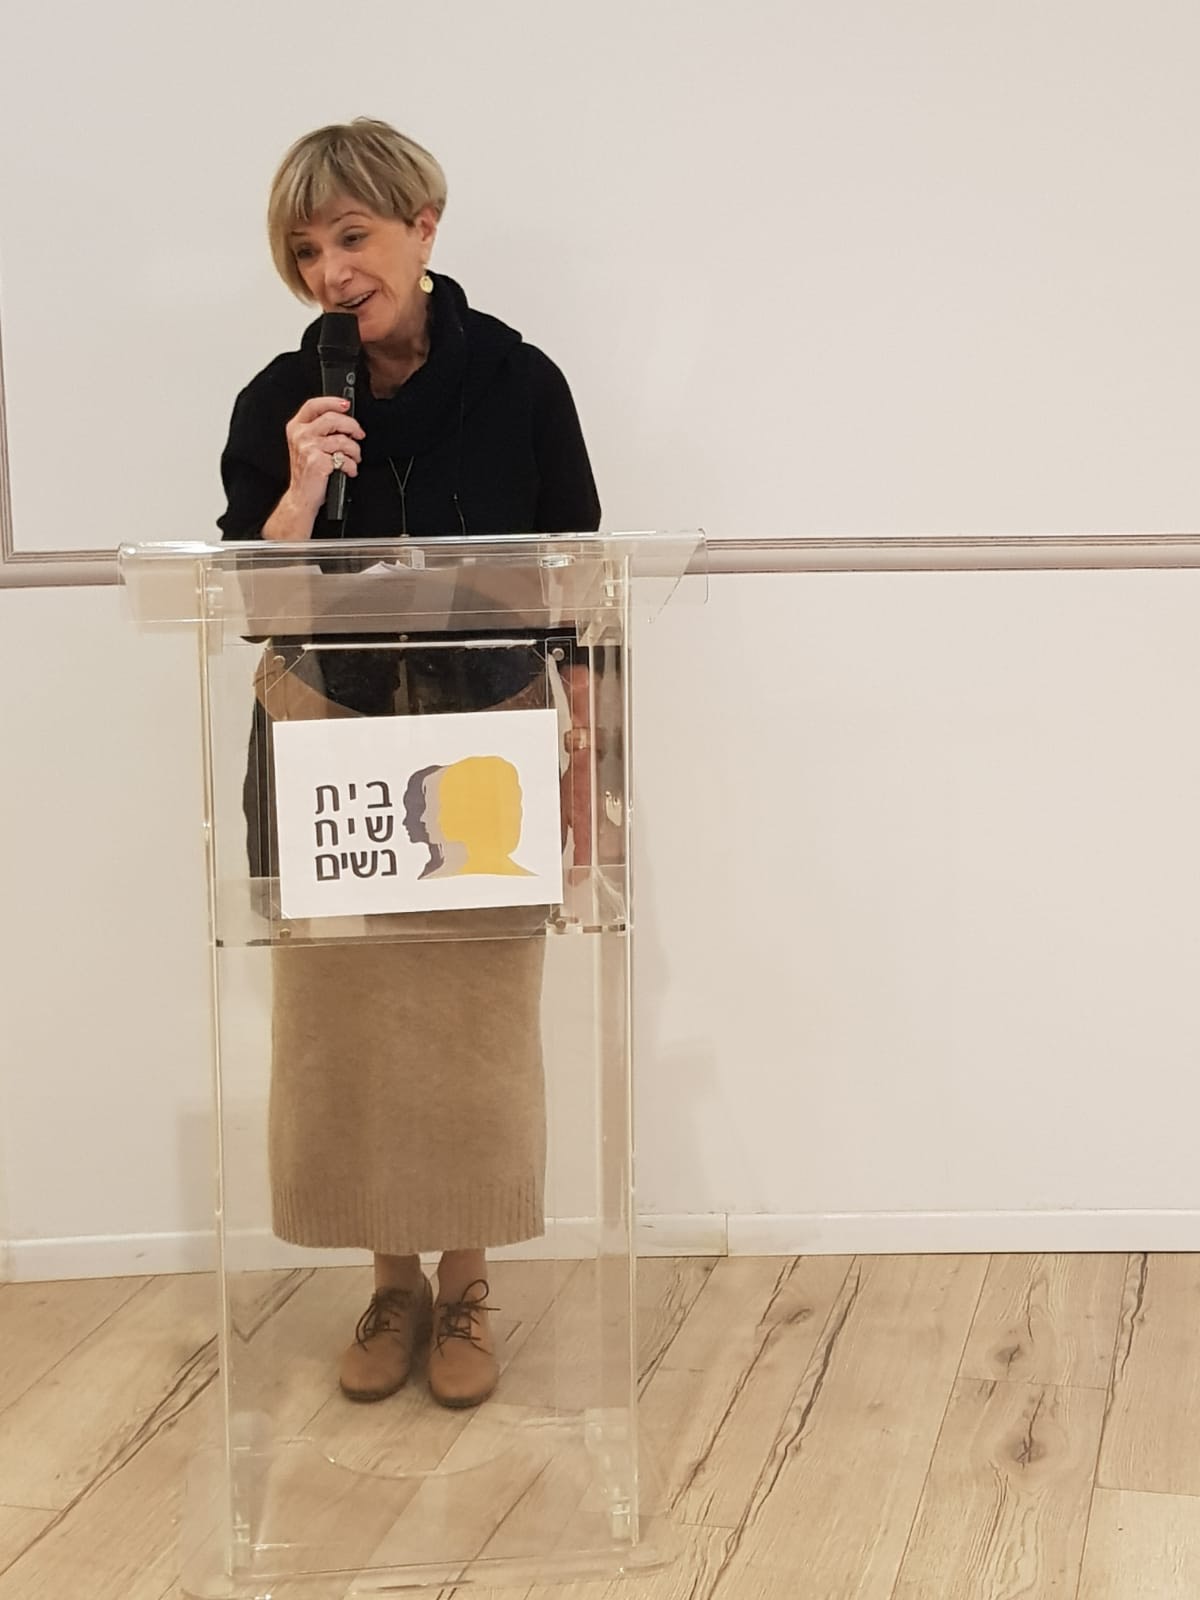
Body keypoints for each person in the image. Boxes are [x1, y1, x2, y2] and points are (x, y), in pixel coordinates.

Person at [218, 118, 600, 1409]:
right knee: (350, 1025)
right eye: (305, 250)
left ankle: (470, 1277)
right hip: (329, 732)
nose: (330, 271)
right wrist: (295, 490)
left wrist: (588, 766)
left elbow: (577, 576)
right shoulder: (281, 400)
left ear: (423, 225)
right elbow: (253, 600)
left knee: (475, 1019)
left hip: (487, 736)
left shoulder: (520, 381)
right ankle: (390, 1281)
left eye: (353, 236)